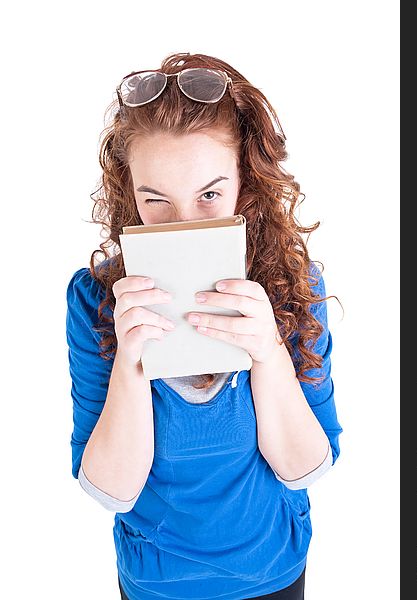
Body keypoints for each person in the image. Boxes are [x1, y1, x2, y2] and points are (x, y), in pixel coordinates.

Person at [65, 51, 343, 600]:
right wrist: (130, 358)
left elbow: (305, 469)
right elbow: (112, 490)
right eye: (156, 201)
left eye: (210, 194)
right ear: (130, 195)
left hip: (272, 573)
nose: (185, 224)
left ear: (246, 181)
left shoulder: (293, 285)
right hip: (154, 584)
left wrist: (268, 352)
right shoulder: (96, 300)